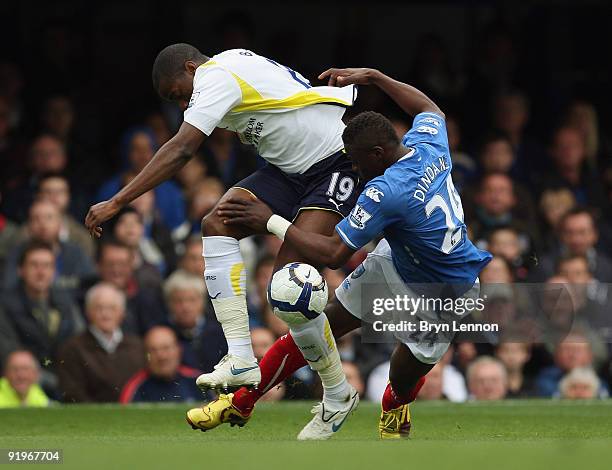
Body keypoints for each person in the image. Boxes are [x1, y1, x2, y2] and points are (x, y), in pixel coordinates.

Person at [193, 67, 491, 439]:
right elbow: (429, 107)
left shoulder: (385, 192)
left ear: (378, 153)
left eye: (355, 158)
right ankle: (243, 399)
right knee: (320, 327)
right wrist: (377, 77)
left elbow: (334, 253)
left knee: (402, 377)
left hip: (446, 290)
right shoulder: (428, 143)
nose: (351, 165)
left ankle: (396, 404)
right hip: (398, 261)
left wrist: (270, 219)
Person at [85, 44, 360, 394]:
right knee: (216, 224)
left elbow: (182, 148)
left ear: (190, 68)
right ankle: (242, 358)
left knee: (288, 285)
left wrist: (117, 201)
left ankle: (337, 388)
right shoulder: (231, 64)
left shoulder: (214, 76)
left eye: (178, 94)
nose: (183, 105)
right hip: (289, 169)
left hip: (333, 161)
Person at [0, 239, 83, 394]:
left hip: (65, 384)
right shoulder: (4, 304)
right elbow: (8, 351)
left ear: (54, 271)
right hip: (22, 386)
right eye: (34, 265)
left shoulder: (66, 302)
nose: (41, 272)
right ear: (20, 270)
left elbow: (79, 342)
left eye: (47, 266)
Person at [57, 283, 145, 403]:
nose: (105, 314)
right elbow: (72, 394)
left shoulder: (138, 347)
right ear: (88, 312)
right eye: (98, 308)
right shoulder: (72, 349)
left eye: (112, 308)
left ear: (122, 313)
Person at [119, 326, 205, 403]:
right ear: (145, 355)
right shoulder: (134, 389)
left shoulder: (199, 382)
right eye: (153, 350)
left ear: (178, 350)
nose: (161, 356)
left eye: (166, 348)